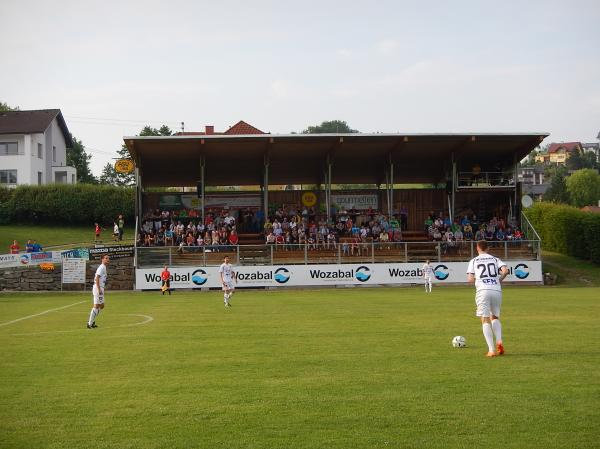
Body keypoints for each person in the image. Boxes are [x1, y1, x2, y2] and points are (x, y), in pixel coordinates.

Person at [466, 240, 509, 357]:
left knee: (485, 319)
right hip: (496, 289)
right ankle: (499, 342)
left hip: (483, 291)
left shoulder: (474, 261)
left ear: (477, 248)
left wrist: (480, 281)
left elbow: (470, 279)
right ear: (488, 248)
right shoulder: (495, 259)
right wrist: (499, 279)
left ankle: (491, 350)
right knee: (495, 317)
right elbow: (505, 271)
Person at [87, 255, 110, 329]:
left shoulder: (104, 267)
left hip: (100, 288)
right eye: (106, 258)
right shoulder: (102, 267)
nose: (108, 259)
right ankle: (90, 324)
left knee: (102, 306)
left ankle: (92, 321)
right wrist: (99, 289)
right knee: (96, 305)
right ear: (102, 259)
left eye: (108, 258)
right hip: (98, 288)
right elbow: (97, 278)